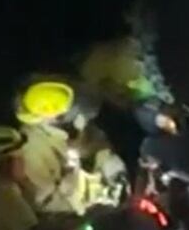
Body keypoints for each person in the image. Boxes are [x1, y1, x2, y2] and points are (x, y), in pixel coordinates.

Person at [14, 79, 128, 214]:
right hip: (76, 204)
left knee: (112, 163)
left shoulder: (66, 124)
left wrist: (88, 147)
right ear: (50, 115)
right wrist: (85, 205)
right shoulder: (32, 148)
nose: (69, 111)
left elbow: (100, 144)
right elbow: (47, 200)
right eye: (63, 111)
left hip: (94, 183)